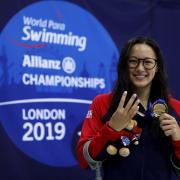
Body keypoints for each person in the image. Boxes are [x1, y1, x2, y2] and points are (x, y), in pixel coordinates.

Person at [76, 36, 180, 180]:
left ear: (157, 67)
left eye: (148, 62)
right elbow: (84, 158)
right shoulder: (102, 103)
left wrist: (178, 140)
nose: (140, 68)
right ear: (125, 65)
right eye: (133, 61)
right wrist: (111, 129)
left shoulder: (175, 107)